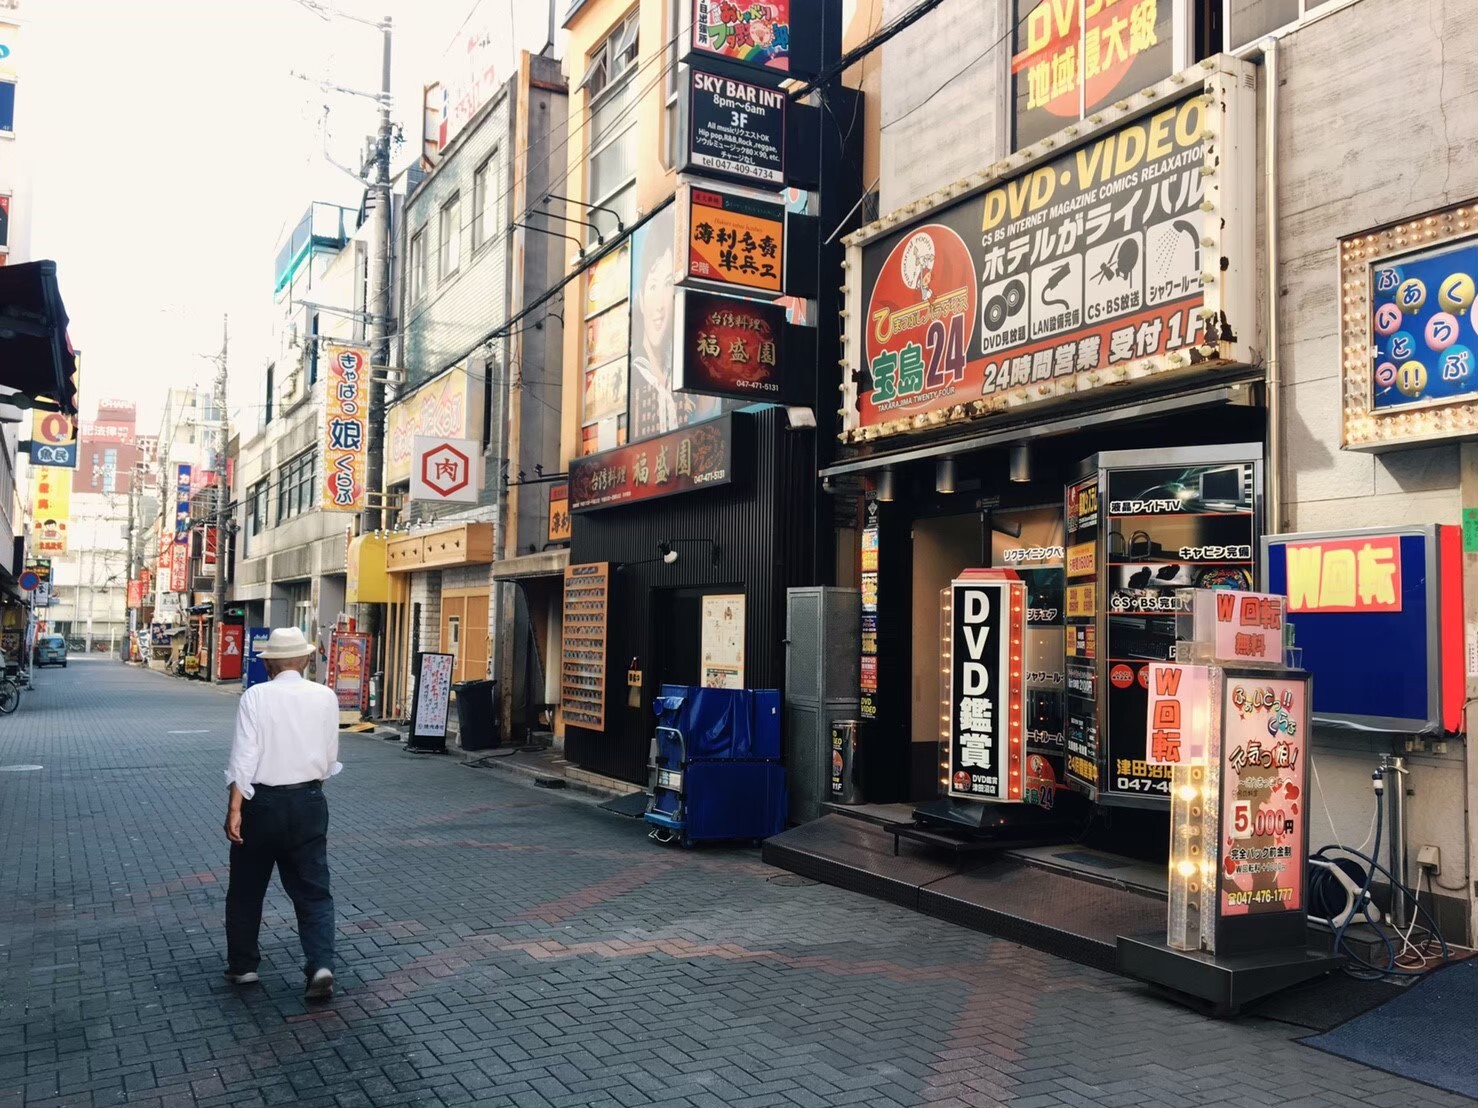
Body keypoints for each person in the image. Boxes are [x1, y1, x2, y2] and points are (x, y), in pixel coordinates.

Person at [221, 626, 342, 998]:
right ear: (305, 659)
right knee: (313, 891)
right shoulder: (326, 696)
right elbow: (329, 758)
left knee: (246, 889)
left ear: (270, 663)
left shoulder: (256, 696)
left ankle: (244, 967)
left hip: (263, 803)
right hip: (308, 800)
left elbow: (245, 755)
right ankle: (320, 964)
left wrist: (234, 807)